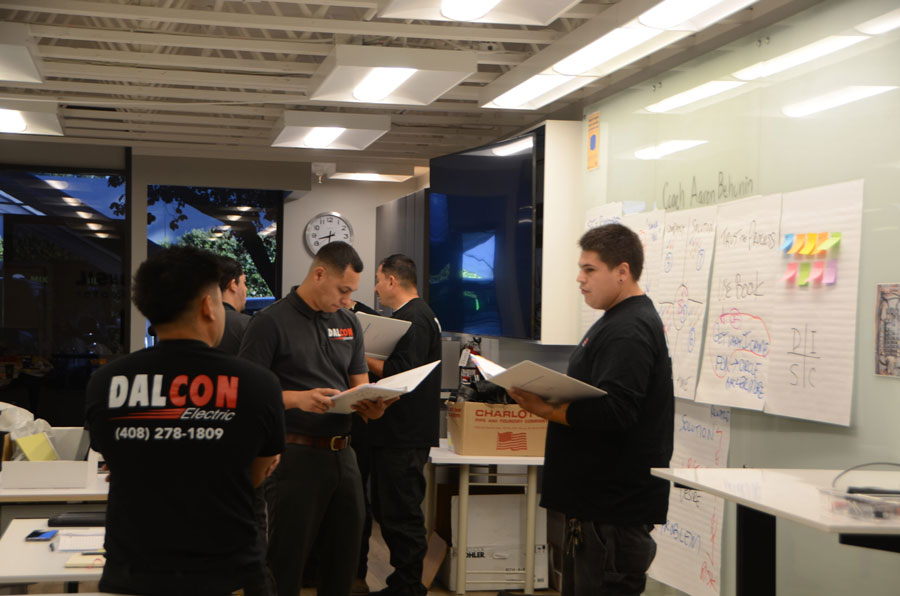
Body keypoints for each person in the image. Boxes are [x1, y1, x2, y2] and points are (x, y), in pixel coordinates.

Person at [84, 246, 286, 596]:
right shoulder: (257, 384)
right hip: (228, 571)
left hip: (136, 573)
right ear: (209, 306)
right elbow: (256, 473)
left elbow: (115, 461)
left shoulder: (106, 382)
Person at [508, 224, 673, 595]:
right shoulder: (616, 320)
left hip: (612, 514)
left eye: (590, 270)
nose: (579, 279)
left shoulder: (629, 329)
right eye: (580, 269)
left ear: (622, 272)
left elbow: (616, 413)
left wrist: (545, 408)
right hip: (599, 510)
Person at [239, 241, 390, 596]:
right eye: (342, 290)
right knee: (285, 565)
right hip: (292, 456)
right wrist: (297, 399)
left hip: (344, 456)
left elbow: (359, 385)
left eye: (351, 292)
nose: (347, 299)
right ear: (318, 274)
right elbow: (244, 395)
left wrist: (373, 405)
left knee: (344, 563)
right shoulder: (270, 322)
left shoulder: (348, 322)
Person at [363, 254, 442, 596]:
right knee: (389, 509)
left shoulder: (416, 319)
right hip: (393, 434)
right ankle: (401, 581)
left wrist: (358, 353)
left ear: (393, 281)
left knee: (403, 512)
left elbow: (400, 373)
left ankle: (410, 586)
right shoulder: (405, 317)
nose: (377, 289)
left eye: (379, 280)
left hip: (405, 437)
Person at [216, 255, 251, 355]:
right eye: (244, 282)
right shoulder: (249, 325)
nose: (246, 289)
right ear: (233, 285)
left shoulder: (194, 323)